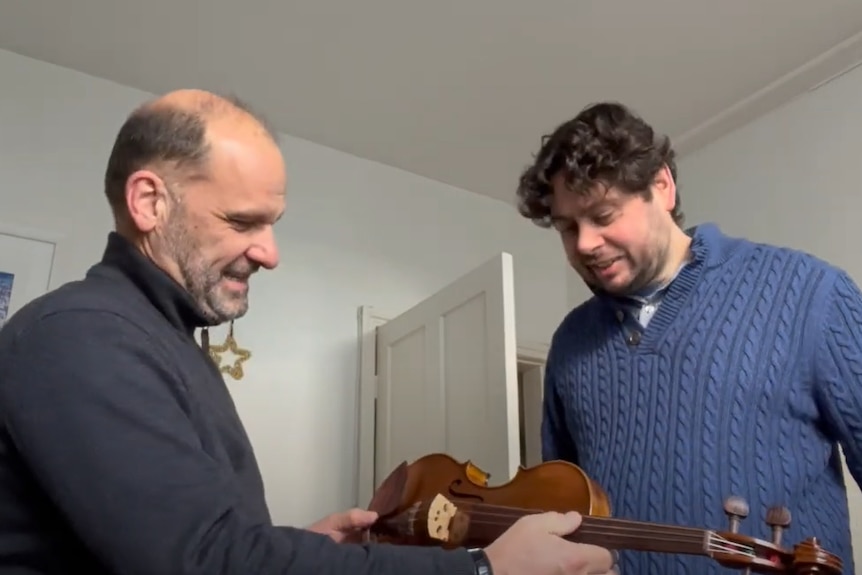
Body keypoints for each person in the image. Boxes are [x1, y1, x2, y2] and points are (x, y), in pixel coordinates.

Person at [0, 89, 617, 575]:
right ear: (150, 203)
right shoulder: (79, 336)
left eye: (272, 224)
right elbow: (203, 562)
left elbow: (210, 540)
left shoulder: (162, 342)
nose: (269, 253)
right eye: (243, 221)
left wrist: (292, 548)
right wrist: (483, 568)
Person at [514, 100, 862, 574]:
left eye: (603, 215)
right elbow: (565, 509)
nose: (584, 244)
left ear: (662, 186)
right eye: (568, 227)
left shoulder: (810, 292)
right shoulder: (570, 343)